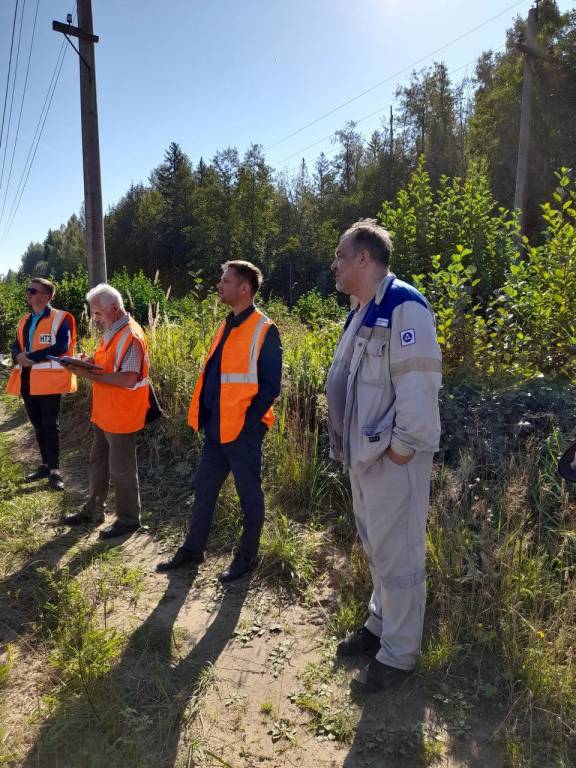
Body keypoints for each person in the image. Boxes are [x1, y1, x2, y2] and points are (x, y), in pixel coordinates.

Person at [326, 219, 442, 693]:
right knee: (378, 549)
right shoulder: (362, 309)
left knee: (400, 555)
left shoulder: (404, 306)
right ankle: (380, 626)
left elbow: (418, 388)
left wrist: (399, 450)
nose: (334, 263)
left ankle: (400, 654)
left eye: (340, 254)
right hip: (366, 459)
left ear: (364, 259)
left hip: (392, 461)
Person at [157, 260, 282, 583]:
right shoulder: (226, 324)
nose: (219, 285)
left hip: (242, 432)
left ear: (244, 288)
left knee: (248, 495)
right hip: (216, 428)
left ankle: (247, 557)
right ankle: (193, 549)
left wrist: (247, 424)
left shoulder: (264, 328)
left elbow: (271, 387)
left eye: (225, 281)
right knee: (204, 489)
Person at [63, 284, 150, 539]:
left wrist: (87, 374)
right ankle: (93, 510)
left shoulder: (130, 336)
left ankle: (128, 520)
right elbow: (108, 365)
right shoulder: (112, 330)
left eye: (98, 313)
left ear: (114, 308)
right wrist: (89, 361)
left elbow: (127, 379)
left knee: (121, 470)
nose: (95, 318)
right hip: (105, 412)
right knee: (97, 462)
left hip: (122, 414)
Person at [5, 277, 77, 491]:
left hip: (49, 382)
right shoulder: (25, 319)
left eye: (33, 291)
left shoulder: (60, 318)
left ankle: (55, 471)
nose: (28, 294)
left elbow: (62, 346)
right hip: (27, 379)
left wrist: (33, 357)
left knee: (49, 424)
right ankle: (45, 465)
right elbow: (15, 345)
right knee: (37, 423)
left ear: (46, 296)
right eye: (28, 290)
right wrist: (18, 357)